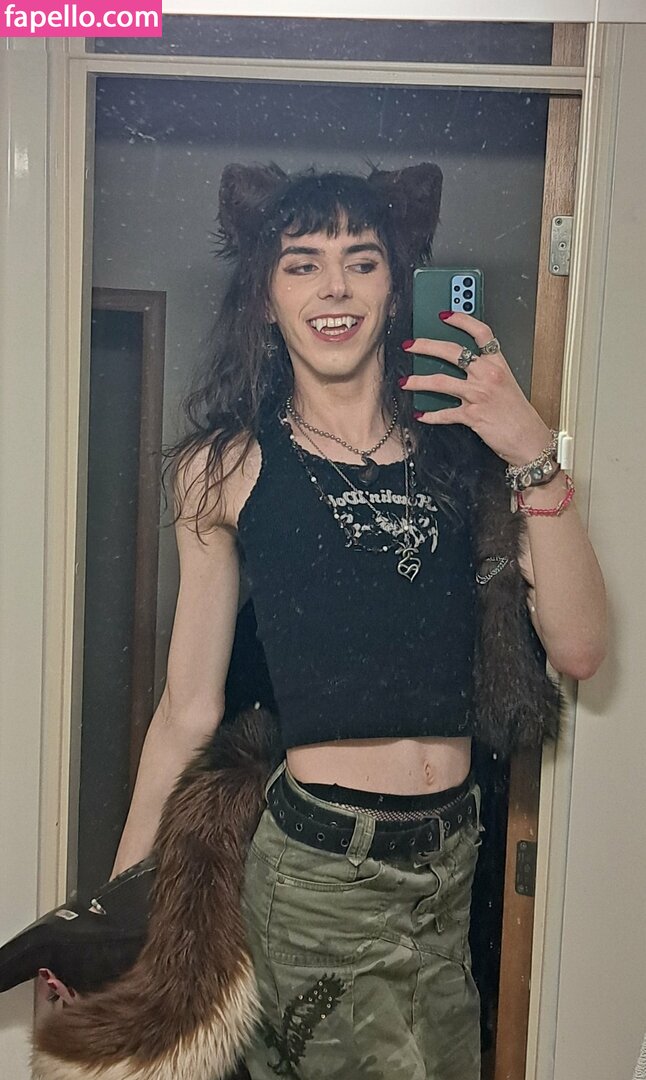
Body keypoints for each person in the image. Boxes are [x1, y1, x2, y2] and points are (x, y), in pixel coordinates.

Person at [49, 163, 608, 1079]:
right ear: (266, 300)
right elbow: (187, 710)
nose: (335, 286)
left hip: (451, 866)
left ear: (395, 289)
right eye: (302, 263)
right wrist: (117, 909)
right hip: (318, 873)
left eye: (363, 260)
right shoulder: (224, 469)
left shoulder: (467, 454)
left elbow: (580, 647)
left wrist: (530, 446)